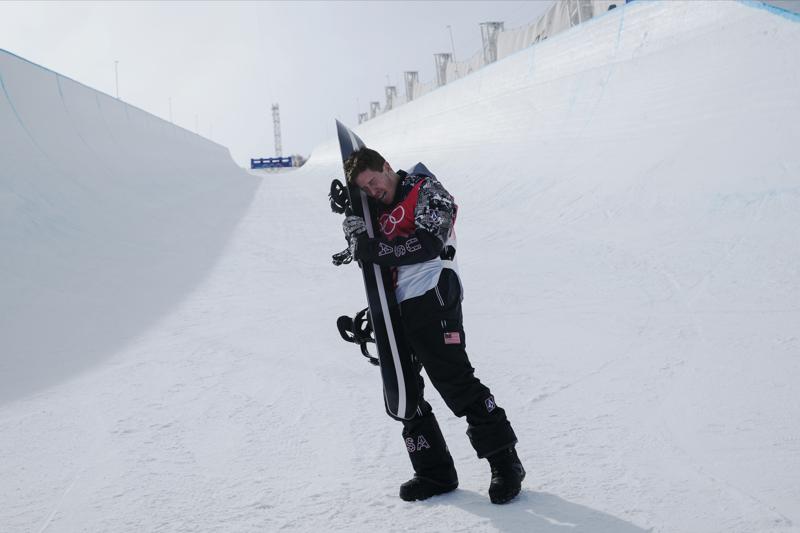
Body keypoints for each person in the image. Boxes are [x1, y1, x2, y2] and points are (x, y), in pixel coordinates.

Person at [341, 147, 526, 504]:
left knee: (454, 380)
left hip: (433, 292)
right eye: (365, 189)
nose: (373, 191)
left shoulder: (426, 189)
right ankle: (433, 471)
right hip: (396, 306)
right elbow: (374, 259)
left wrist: (370, 248)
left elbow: (427, 244)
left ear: (386, 166)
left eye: (374, 182)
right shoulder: (378, 211)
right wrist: (355, 237)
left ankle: (506, 463)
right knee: (403, 390)